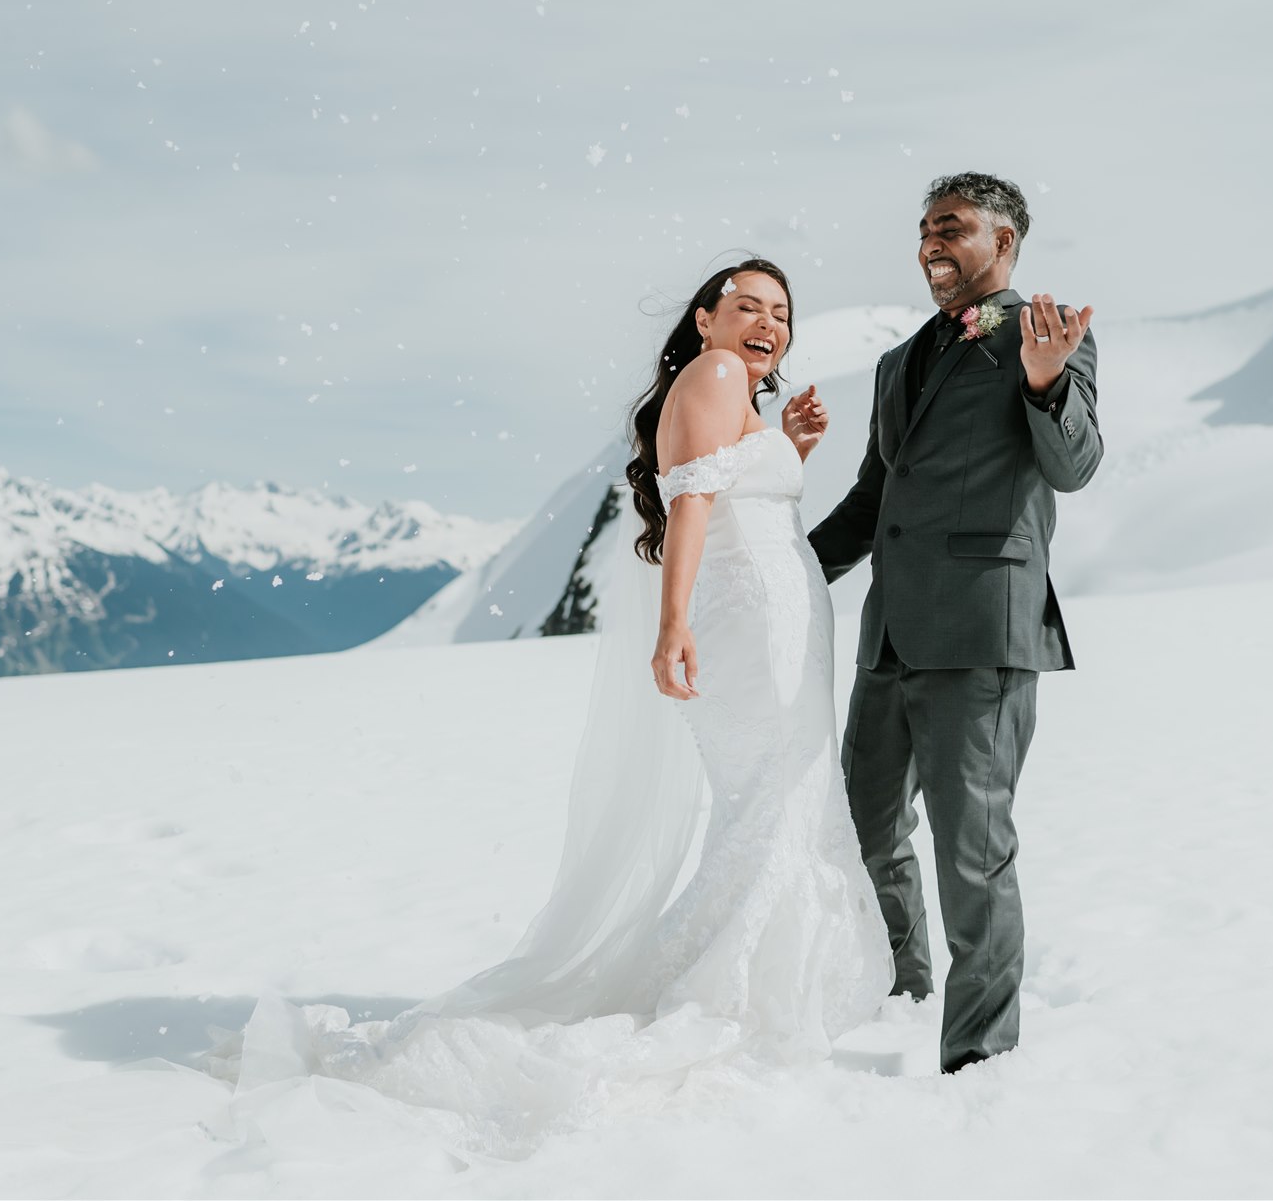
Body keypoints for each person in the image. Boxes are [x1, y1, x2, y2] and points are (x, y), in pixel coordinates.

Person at [211, 258, 890, 1156]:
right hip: (755, 622)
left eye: (781, 313)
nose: (767, 324)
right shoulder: (721, 372)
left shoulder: (728, 389)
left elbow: (727, 494)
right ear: (704, 318)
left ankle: (752, 983)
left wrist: (785, 449)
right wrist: (674, 623)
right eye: (747, 307)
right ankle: (741, 994)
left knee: (767, 799)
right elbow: (691, 506)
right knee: (776, 797)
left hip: (765, 615)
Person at [809, 172, 1102, 1074]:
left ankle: (980, 1057)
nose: (932, 241)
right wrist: (781, 571)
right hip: (889, 636)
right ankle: (903, 995)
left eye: (954, 227)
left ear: (1004, 244)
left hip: (981, 629)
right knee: (863, 835)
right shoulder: (900, 361)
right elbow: (873, 498)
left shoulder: (1042, 337)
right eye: (926, 227)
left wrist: (1047, 383)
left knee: (973, 856)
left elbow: (1076, 463)